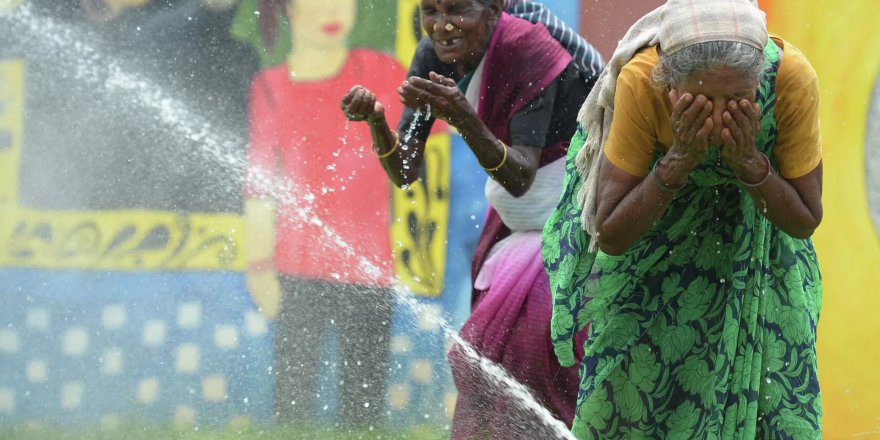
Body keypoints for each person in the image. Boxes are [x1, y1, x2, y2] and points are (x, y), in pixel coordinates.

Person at [542, 0, 823, 438]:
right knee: (625, 408)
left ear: (759, 78)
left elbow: (805, 218)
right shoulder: (642, 80)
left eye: (737, 98)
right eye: (702, 98)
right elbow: (611, 231)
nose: (716, 114)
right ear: (669, 84)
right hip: (654, 261)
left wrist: (749, 162)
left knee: (777, 415)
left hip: (761, 264)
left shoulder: (790, 79)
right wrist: (677, 161)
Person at [340, 0, 595, 437]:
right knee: (483, 357)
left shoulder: (528, 45)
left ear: (494, 9)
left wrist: (462, 116)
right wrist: (377, 123)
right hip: (520, 225)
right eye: (431, 11)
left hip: (574, 221)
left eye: (457, 10)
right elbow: (405, 172)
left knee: (543, 351)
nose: (442, 26)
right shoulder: (431, 56)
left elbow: (519, 175)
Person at [243, 0, 404, 427]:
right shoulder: (270, 87)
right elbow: (259, 186)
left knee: (363, 413)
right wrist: (258, 266)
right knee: (292, 410)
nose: (331, 11)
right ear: (289, 10)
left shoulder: (383, 72)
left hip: (369, 269)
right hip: (297, 269)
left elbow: (422, 148)